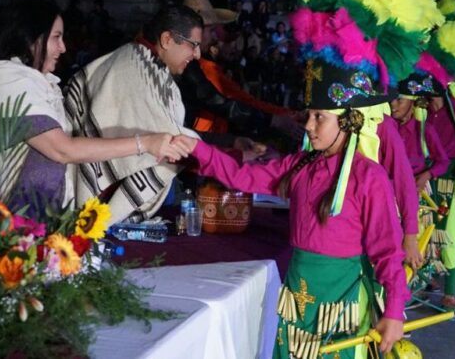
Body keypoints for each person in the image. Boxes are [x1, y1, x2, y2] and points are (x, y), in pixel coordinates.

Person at [171, 58, 408, 356]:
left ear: (348, 120)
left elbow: (387, 250)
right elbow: (242, 176)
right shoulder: (299, 167)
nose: (308, 125)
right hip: (297, 289)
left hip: (342, 295)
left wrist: (395, 310)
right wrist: (198, 148)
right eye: (309, 115)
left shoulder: (370, 177)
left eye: (319, 117)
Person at [0, 0, 186, 219]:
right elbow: (62, 150)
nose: (63, 48)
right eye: (56, 37)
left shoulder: (39, 83)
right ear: (29, 38)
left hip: (32, 224)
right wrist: (144, 143)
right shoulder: (3, 79)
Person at [64, 5, 203, 225]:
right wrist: (233, 157)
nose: (197, 54)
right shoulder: (137, 67)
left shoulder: (146, 63)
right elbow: (175, 140)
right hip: (95, 191)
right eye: (194, 45)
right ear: (167, 39)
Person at [178, 0, 302, 147]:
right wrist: (279, 118)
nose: (215, 37)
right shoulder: (202, 67)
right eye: (212, 32)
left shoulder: (214, 65)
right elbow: (230, 101)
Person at [390, 73, 451, 270]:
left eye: (399, 100)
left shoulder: (424, 130)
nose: (393, 105)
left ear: (414, 102)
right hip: (391, 195)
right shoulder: (387, 128)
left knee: (414, 246)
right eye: (391, 99)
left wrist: (427, 174)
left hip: (418, 196)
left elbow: (443, 161)